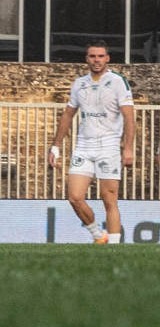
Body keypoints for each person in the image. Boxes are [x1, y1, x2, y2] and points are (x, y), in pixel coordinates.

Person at [54, 46, 135, 243]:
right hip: (84, 145)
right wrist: (55, 145)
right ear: (87, 59)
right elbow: (68, 114)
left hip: (108, 145)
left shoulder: (117, 82)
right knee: (74, 196)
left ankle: (114, 248)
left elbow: (129, 116)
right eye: (92, 56)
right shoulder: (79, 83)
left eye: (100, 56)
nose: (96, 60)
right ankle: (99, 235)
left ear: (107, 58)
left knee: (109, 198)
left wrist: (128, 147)